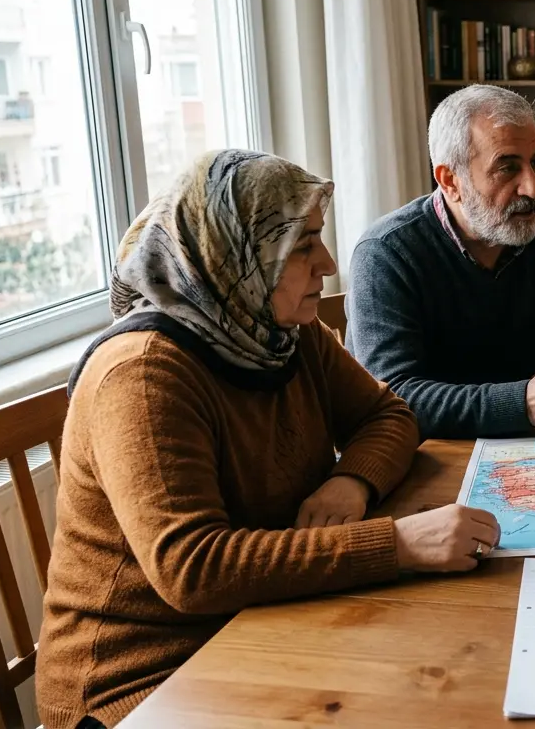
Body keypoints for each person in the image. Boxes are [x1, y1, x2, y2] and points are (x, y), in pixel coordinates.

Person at [36, 150, 502, 729]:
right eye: (303, 245)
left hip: (264, 621)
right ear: (235, 256)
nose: (328, 263)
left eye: (318, 239)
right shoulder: (143, 373)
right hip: (140, 682)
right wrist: (398, 545)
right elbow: (192, 568)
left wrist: (349, 482)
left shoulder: (280, 332)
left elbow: (390, 414)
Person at [346, 85, 535, 440]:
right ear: (451, 181)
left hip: (533, 451)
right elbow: (395, 397)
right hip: (426, 460)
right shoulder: (386, 253)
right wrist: (523, 404)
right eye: (507, 168)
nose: (534, 188)